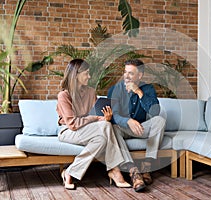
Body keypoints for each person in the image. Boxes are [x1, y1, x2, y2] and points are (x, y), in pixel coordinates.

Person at [56, 59, 131, 190]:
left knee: (102, 139)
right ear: (76, 75)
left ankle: (69, 172)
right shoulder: (64, 95)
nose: (89, 77)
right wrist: (96, 118)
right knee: (106, 127)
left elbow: (98, 118)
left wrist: (105, 118)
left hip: (90, 130)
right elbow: (73, 124)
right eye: (86, 73)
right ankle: (115, 170)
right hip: (68, 131)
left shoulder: (91, 92)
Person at [108, 59, 166, 190]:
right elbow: (114, 116)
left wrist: (139, 92)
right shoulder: (115, 90)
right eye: (125, 72)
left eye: (130, 73)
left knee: (160, 121)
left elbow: (155, 111)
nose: (126, 76)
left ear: (139, 75)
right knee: (111, 128)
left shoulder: (148, 88)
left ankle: (147, 167)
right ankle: (133, 172)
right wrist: (128, 121)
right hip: (123, 128)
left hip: (141, 128)